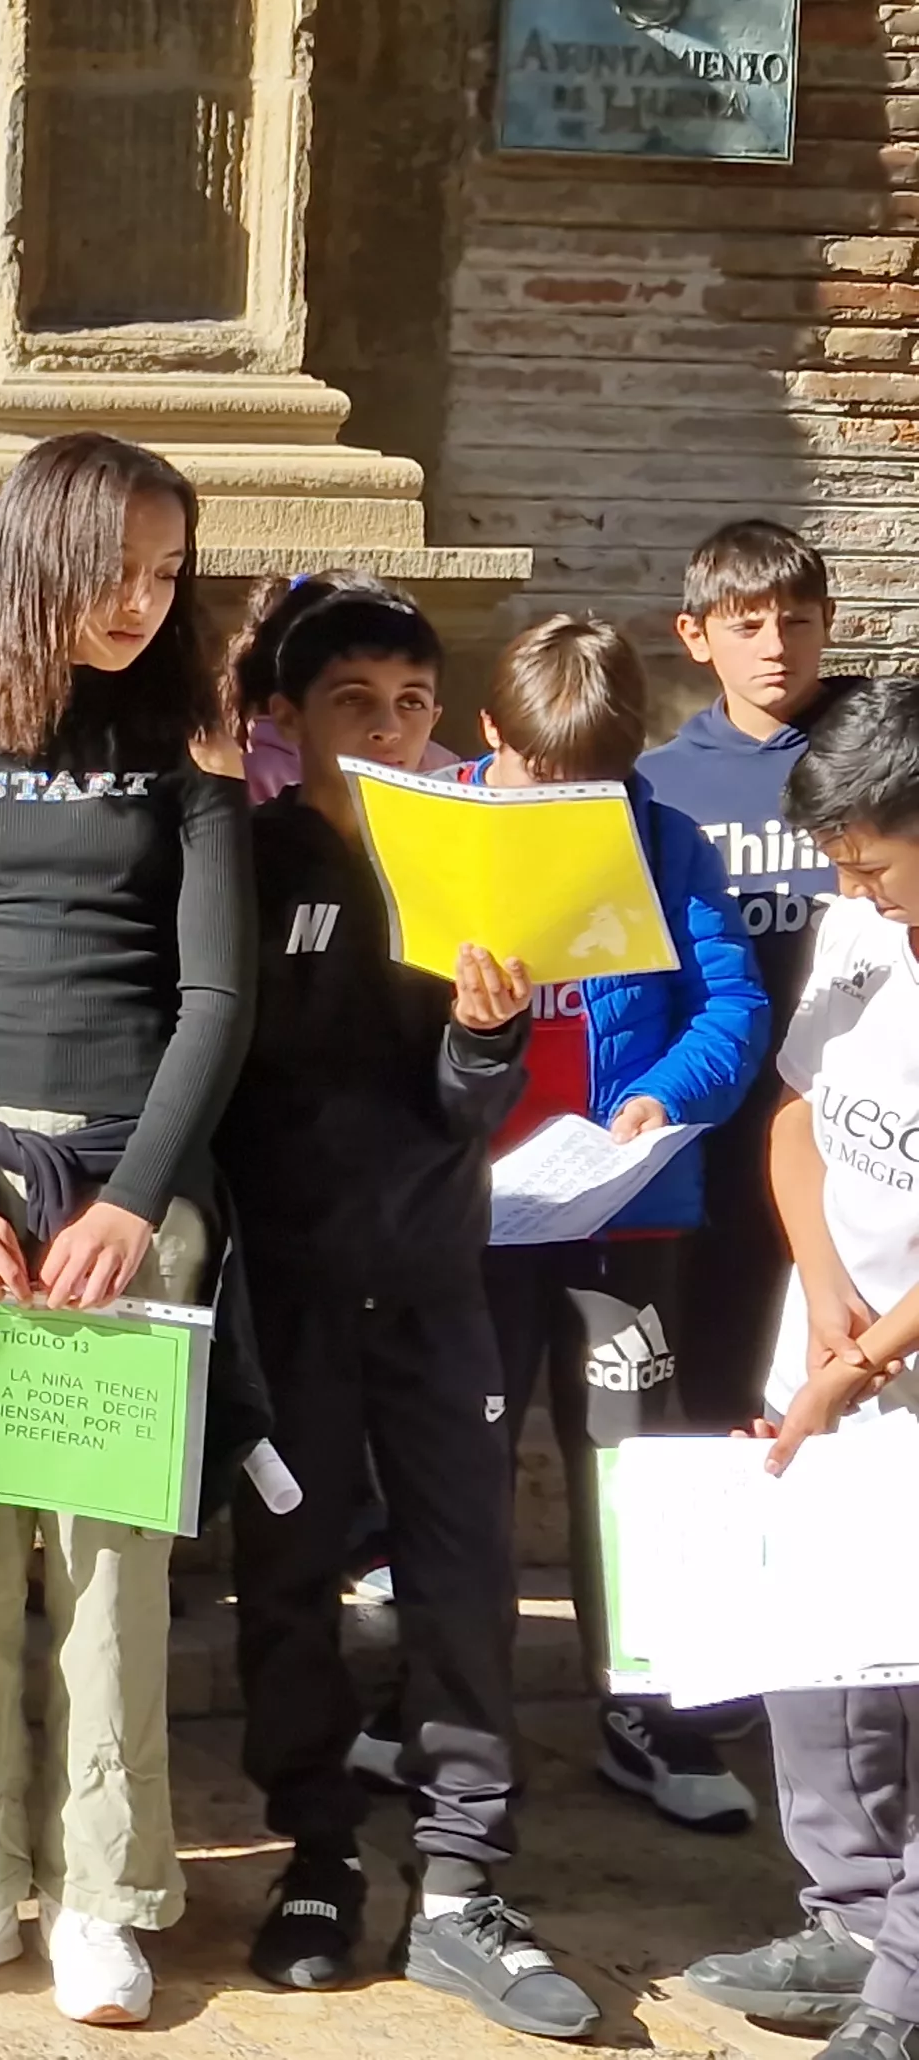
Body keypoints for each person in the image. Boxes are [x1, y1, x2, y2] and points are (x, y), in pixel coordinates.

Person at [0, 431, 251, 2028]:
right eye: (122, 570)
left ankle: (105, 1891)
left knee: (107, 1565)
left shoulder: (191, 742)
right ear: (47, 554)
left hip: (125, 1194)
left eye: (171, 574)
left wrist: (139, 1202)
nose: (147, 604)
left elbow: (217, 998)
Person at [212, 579, 594, 2038]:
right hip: (290, 1293)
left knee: (464, 1577)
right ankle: (314, 1857)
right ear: (288, 722)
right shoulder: (242, 861)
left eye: (415, 706)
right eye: (356, 706)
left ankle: (462, 1881)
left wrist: (490, 1034)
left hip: (440, 1286)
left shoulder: (469, 869)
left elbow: (464, 1107)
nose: (390, 731)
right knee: (293, 1577)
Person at [420, 615, 766, 1834]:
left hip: (624, 1206)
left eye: (598, 781)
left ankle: (645, 1710)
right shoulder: (429, 831)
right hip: (470, 1206)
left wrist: (662, 1093)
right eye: (543, 776)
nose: (573, 801)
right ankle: (446, 1714)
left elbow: (729, 1003)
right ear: (490, 737)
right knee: (458, 1465)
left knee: (632, 1464)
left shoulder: (664, 840)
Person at [675, 679, 919, 2057]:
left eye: (874, 859)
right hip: (833, 1345)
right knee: (820, 1659)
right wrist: (825, 1293)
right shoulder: (857, 926)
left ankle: (907, 1992)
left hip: (891, 1371)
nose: (854, 886)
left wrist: (874, 1352)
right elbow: (797, 1117)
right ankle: (850, 1916)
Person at [637, 520, 841, 1429]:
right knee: (724, 1353)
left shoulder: (871, 761)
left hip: (855, 1107)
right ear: (695, 635)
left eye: (797, 622)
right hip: (721, 1113)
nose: (775, 647)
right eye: (747, 625)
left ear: (828, 624)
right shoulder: (658, 785)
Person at [233, 569, 464, 804]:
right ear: (289, 717)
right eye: (353, 698)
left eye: (412, 702)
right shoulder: (247, 808)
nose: (388, 730)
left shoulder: (448, 783)